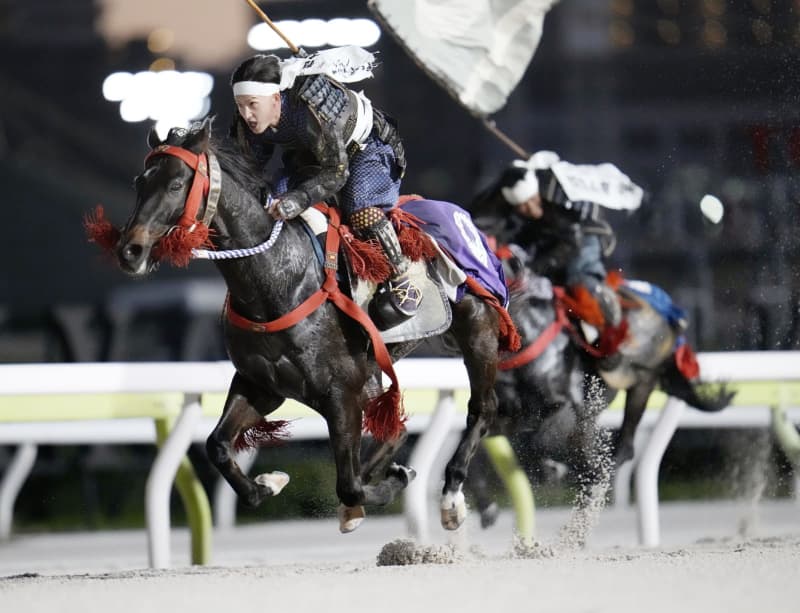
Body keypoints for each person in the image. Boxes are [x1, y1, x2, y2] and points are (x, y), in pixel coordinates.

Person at [229, 46, 420, 328]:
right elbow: (248, 169)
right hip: (311, 154)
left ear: (275, 97)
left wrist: (300, 198)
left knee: (360, 207)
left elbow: (337, 172)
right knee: (273, 200)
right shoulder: (249, 121)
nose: (246, 115)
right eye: (241, 106)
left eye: (252, 105)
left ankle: (402, 278)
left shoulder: (312, 109)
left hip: (364, 150)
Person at [472, 151, 646, 364]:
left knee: (579, 280)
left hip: (584, 236)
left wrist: (538, 266)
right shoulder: (519, 209)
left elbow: (570, 242)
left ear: (537, 194)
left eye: (531, 201)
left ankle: (611, 335)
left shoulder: (559, 200)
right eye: (522, 207)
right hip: (551, 244)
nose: (529, 209)